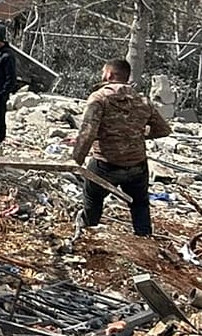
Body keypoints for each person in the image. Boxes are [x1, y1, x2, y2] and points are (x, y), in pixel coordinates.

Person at [72, 57, 172, 236]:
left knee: (92, 199)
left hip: (105, 164)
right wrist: (135, 134)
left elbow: (88, 133)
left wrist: (75, 162)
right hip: (137, 165)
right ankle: (145, 239)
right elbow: (164, 129)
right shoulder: (143, 101)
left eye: (104, 72)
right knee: (140, 204)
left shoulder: (99, 98)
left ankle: (88, 235)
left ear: (109, 75)